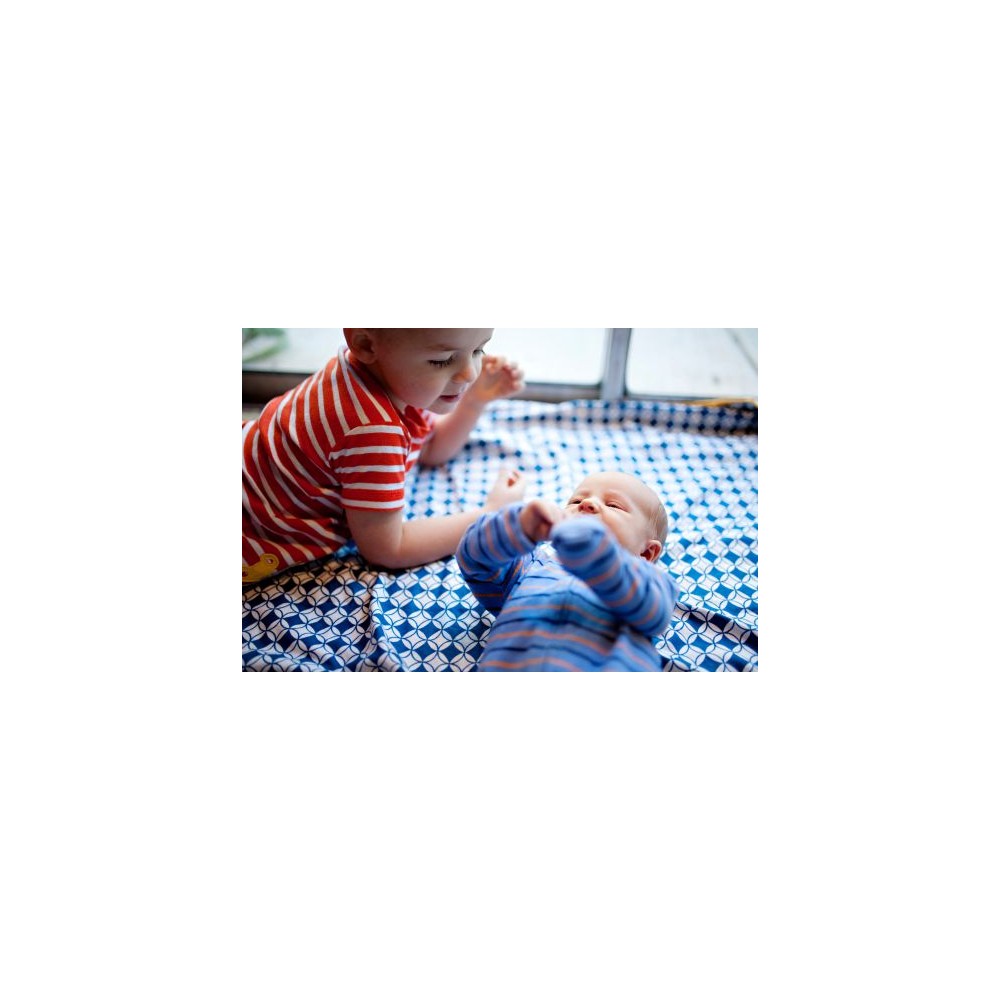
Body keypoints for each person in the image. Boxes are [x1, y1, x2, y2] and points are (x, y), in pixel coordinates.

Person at [243, 329, 526, 582]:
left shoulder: (376, 374)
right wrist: (488, 515)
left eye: (478, 350)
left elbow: (428, 449)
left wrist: (473, 402)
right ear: (365, 345)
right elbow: (388, 548)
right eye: (442, 360)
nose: (470, 373)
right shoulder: (372, 430)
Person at [456, 472, 680, 671]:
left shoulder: (648, 581)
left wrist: (601, 557)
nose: (587, 503)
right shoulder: (530, 567)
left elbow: (656, 615)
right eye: (576, 501)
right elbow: (474, 559)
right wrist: (519, 526)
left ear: (646, 553)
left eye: (613, 505)